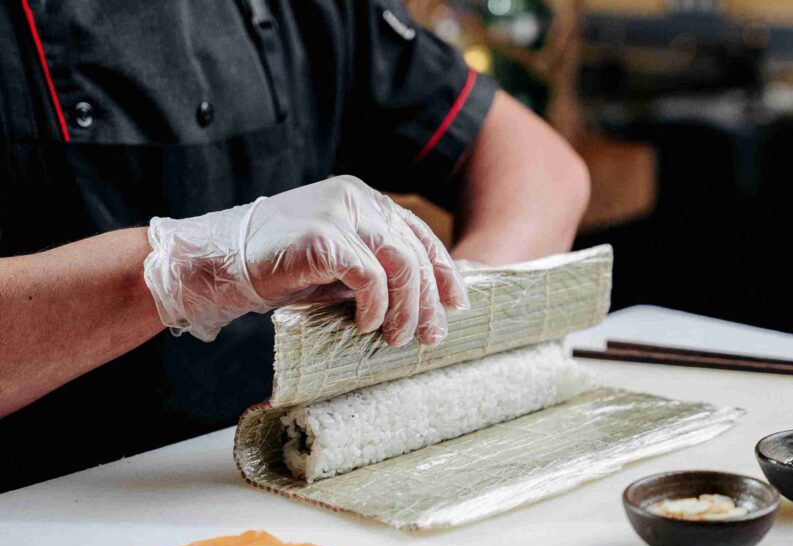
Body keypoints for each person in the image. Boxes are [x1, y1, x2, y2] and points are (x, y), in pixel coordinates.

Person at [0, 0, 590, 491]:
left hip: (293, 473)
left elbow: (541, 166)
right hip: (48, 510)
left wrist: (451, 305)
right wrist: (186, 269)